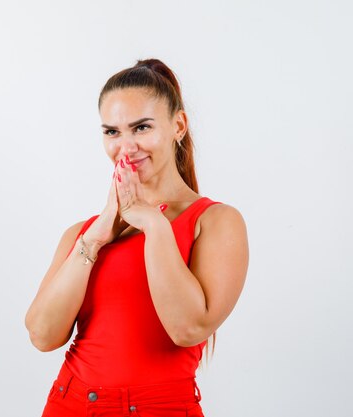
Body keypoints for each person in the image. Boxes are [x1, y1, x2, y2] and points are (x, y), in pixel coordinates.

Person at [25, 58, 249, 417]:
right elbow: (42, 335)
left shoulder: (216, 221)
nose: (125, 147)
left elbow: (187, 328)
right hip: (70, 404)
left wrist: (154, 225)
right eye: (112, 132)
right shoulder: (84, 233)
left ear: (178, 125)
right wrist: (95, 239)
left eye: (141, 128)